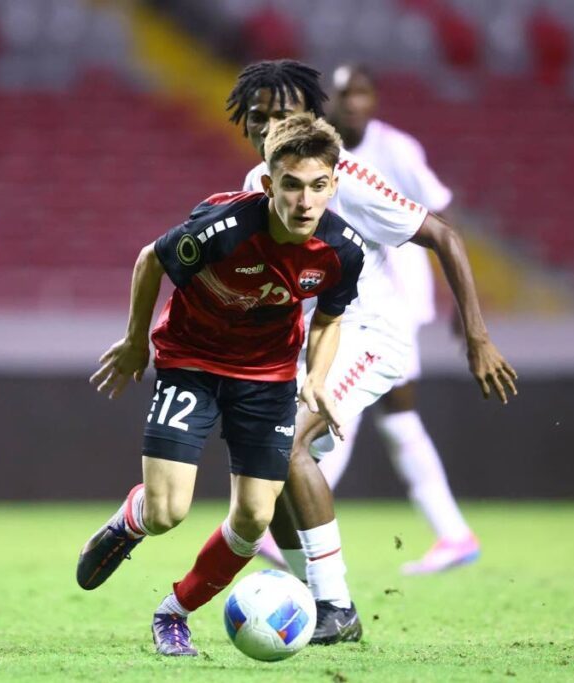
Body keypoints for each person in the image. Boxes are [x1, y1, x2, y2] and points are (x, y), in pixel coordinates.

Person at [227, 60, 518, 644]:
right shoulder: (257, 185)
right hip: (315, 342)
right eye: (257, 117)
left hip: (372, 333)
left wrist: (478, 335)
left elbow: (444, 234)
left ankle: (335, 604)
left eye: (281, 114)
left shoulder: (343, 175)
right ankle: (315, 595)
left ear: (308, 115)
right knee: (266, 460)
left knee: (288, 447)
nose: (267, 125)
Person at [75, 114, 364, 657]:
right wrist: (137, 341)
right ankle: (128, 523)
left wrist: (318, 378)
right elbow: (150, 259)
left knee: (255, 518)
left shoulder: (342, 251)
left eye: (318, 186)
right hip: (192, 363)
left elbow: (328, 318)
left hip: (268, 379)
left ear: (335, 184)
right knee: (167, 513)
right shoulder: (223, 228)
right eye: (292, 185)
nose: (305, 201)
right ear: (268, 182)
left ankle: (174, 613)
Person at [316, 63, 482, 575]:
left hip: (395, 298)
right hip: (354, 296)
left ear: (374, 99)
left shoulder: (397, 150)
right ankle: (452, 533)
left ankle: (297, 523)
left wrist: (461, 302)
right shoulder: (322, 153)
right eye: (344, 94)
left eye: (361, 93)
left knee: (347, 407)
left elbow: (442, 219)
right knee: (388, 415)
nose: (352, 103)